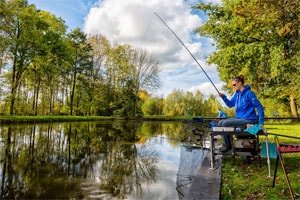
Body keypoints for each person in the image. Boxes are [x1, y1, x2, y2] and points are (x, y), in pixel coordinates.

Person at [218, 75, 264, 152]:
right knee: (220, 123)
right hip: (239, 118)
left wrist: (261, 123)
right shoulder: (237, 94)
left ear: (240, 83)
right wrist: (224, 97)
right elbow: (230, 104)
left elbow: (259, 107)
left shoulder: (249, 94)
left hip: (249, 120)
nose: (233, 86)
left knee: (225, 123)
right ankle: (229, 144)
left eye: (234, 84)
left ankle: (228, 145)